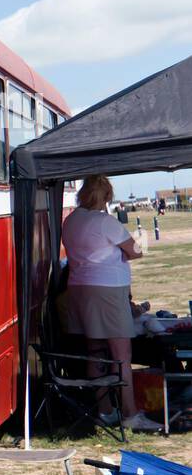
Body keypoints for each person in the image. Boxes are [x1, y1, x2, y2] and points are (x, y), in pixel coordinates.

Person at [60, 175, 160, 432]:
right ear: (104, 197)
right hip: (107, 290)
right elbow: (135, 251)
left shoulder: (71, 220)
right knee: (121, 355)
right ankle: (129, 413)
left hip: (79, 288)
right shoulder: (105, 222)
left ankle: (105, 410)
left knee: (95, 351)